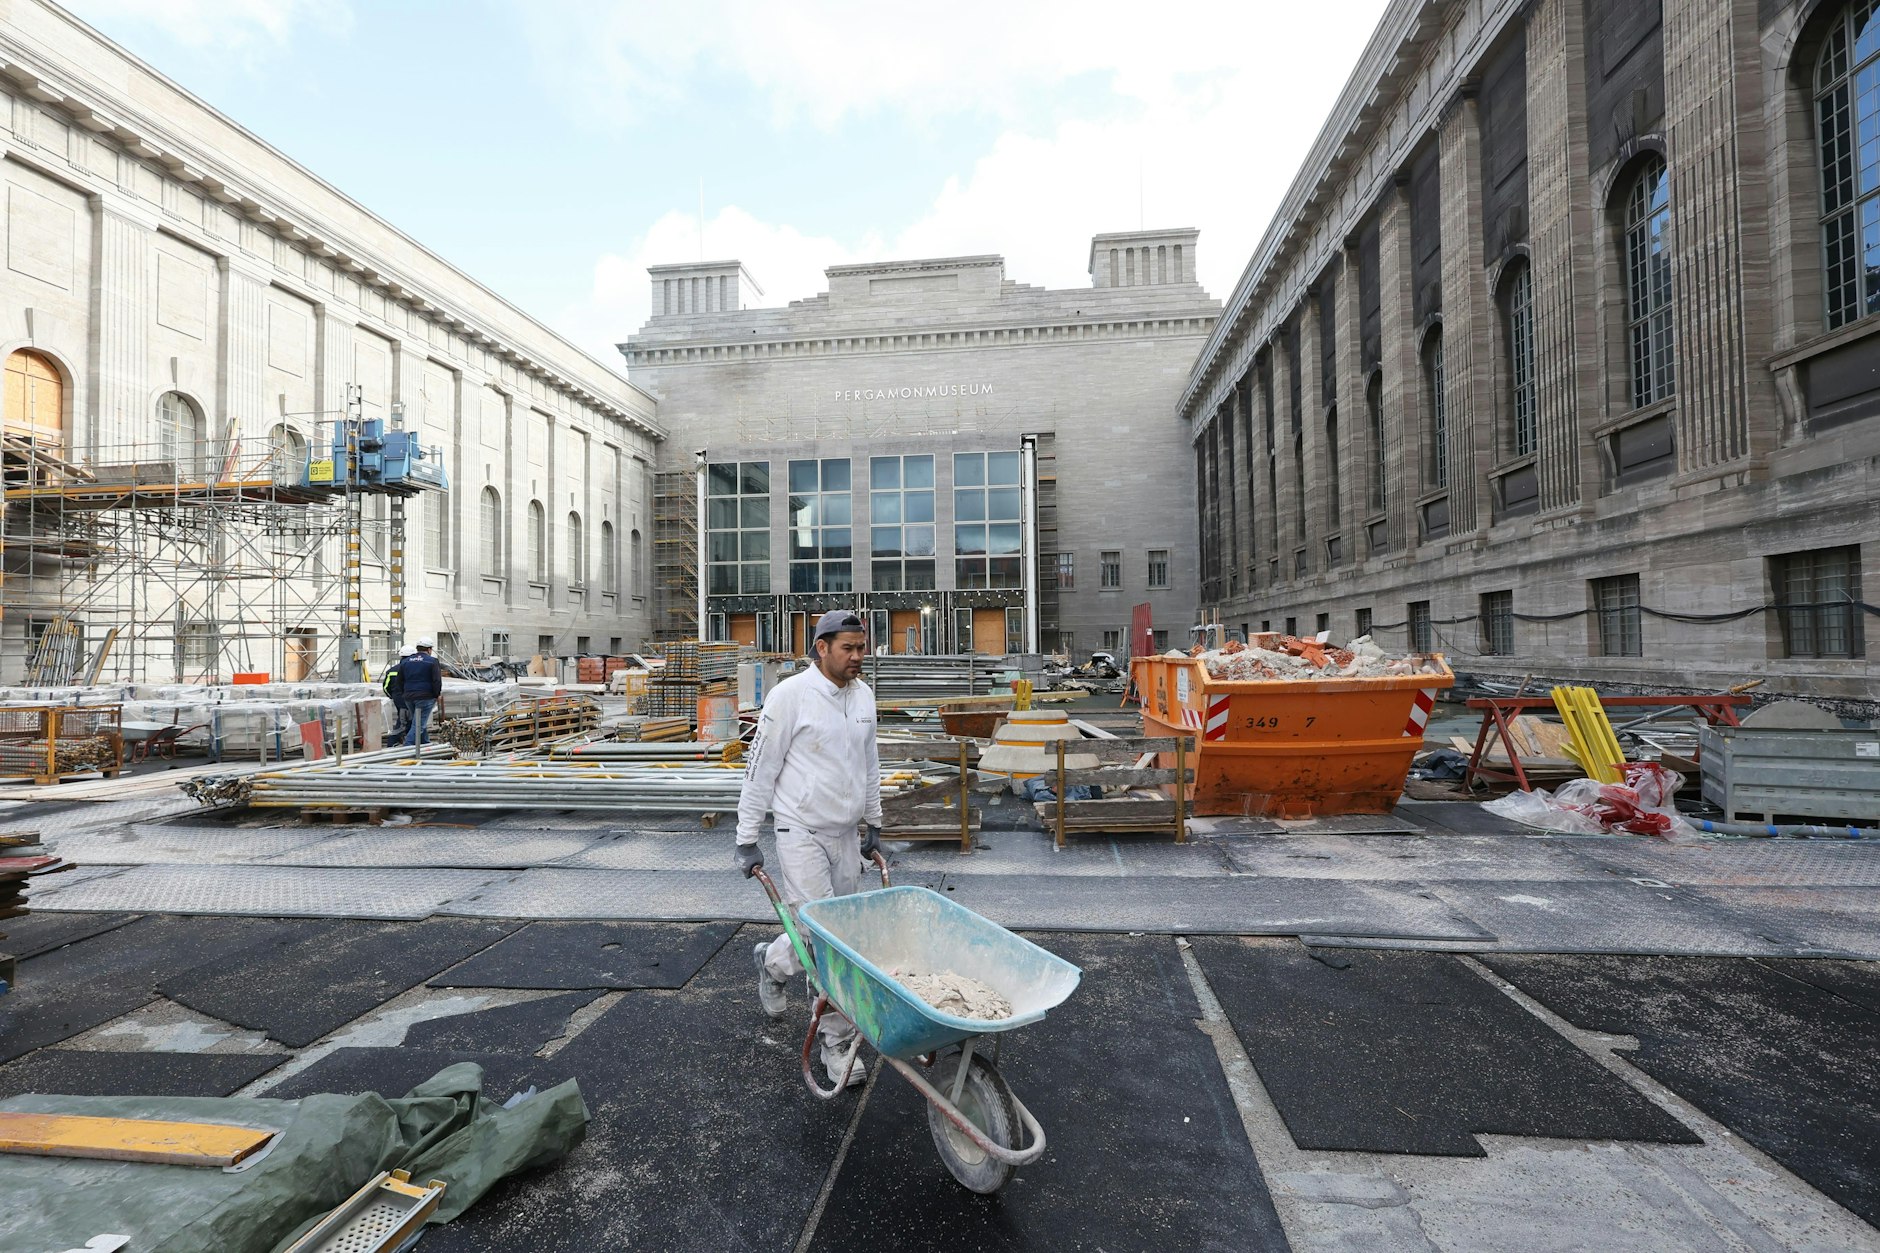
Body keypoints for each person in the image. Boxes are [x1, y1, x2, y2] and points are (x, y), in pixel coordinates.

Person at [736, 609, 883, 1090]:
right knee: (829, 943)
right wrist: (746, 837)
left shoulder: (863, 697)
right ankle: (836, 1044)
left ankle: (773, 961)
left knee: (836, 932)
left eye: (862, 647)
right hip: (799, 832)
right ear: (821, 648)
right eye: (849, 648)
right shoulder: (789, 697)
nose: (859, 657)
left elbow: (870, 763)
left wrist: (874, 822)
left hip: (844, 835)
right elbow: (760, 770)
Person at [400, 637, 444, 747]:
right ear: (429, 649)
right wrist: (436, 694)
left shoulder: (406, 661)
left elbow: (399, 680)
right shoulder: (432, 661)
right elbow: (436, 680)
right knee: (418, 724)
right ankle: (407, 747)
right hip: (425, 697)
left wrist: (404, 693)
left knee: (418, 720)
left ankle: (425, 743)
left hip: (409, 696)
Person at [381, 650, 413, 741]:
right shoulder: (411, 669)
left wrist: (392, 696)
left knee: (403, 718)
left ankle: (402, 739)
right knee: (406, 720)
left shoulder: (391, 670)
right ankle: (393, 741)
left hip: (398, 699)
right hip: (409, 698)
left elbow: (386, 687)